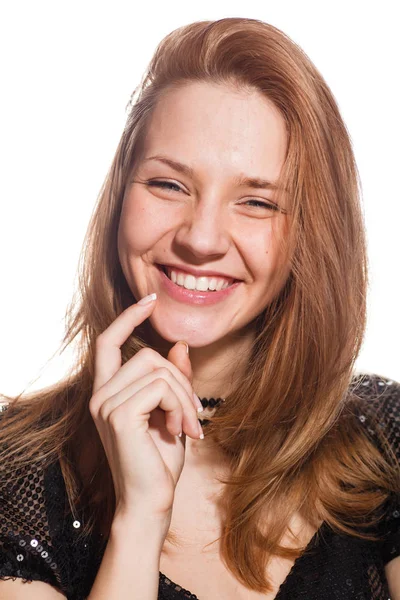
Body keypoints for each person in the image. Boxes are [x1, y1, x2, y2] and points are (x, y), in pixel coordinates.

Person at [0, 16, 399, 600]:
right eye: (168, 185)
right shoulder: (13, 472)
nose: (202, 238)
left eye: (257, 201)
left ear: (310, 234)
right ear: (120, 197)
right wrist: (139, 522)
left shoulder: (383, 441)